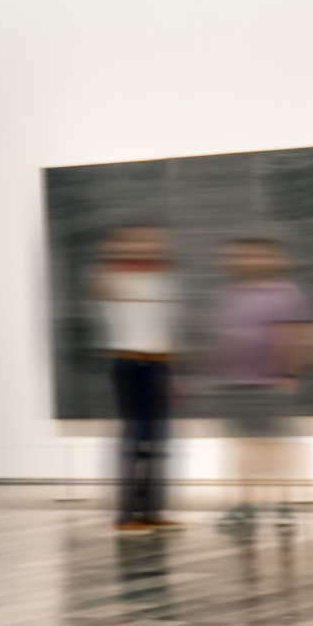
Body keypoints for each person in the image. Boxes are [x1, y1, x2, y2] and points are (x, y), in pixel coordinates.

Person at [211, 239, 313, 536]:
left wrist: (290, 373)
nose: (246, 260)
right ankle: (245, 505)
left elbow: (299, 333)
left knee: (276, 445)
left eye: (254, 254)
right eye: (242, 255)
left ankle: (284, 505)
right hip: (236, 384)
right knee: (243, 447)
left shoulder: (284, 292)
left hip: (271, 383)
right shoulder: (230, 294)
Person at [93, 226, 178, 534]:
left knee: (158, 440)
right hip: (128, 364)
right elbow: (99, 289)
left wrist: (173, 370)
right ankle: (126, 514)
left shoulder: (162, 279)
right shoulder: (112, 277)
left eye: (150, 240)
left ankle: (153, 511)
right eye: (136, 240)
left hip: (159, 366)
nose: (146, 245)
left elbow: (164, 326)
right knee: (133, 439)